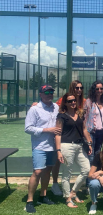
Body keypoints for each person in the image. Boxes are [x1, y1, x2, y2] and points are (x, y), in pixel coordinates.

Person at [31, 80, 85, 196]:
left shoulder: (84, 101)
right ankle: (55, 184)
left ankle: (79, 186)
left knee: (82, 165)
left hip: (79, 136)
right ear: (72, 89)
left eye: (81, 88)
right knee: (56, 163)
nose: (79, 90)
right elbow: (53, 108)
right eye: (77, 88)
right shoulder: (62, 100)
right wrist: (37, 104)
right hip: (62, 138)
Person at [24, 85, 61, 213]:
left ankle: (43, 196)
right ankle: (29, 201)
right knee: (38, 172)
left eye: (51, 92)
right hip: (39, 146)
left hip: (53, 146)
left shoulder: (56, 107)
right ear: (40, 94)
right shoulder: (34, 109)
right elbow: (28, 128)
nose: (49, 94)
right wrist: (47, 130)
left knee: (47, 172)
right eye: (46, 92)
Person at [55, 93, 92, 208]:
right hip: (66, 146)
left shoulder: (79, 114)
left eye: (74, 101)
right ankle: (67, 198)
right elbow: (58, 134)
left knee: (87, 169)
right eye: (70, 101)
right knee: (67, 173)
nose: (73, 103)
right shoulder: (61, 116)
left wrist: (89, 142)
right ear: (65, 103)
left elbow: (84, 129)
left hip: (80, 146)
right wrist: (58, 151)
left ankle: (73, 192)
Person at [85, 80, 103, 163]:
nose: (99, 91)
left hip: (101, 133)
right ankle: (89, 175)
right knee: (90, 155)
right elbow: (84, 118)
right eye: (97, 89)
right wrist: (86, 134)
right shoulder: (89, 102)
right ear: (93, 90)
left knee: (98, 154)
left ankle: (95, 174)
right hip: (91, 132)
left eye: (101, 89)